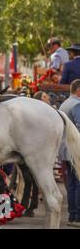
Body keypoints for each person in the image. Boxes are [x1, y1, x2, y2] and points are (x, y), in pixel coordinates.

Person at [59, 79, 80, 227]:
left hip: (65, 149)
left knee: (72, 183)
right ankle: (77, 216)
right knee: (78, 183)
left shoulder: (64, 103)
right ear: (79, 90)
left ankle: (73, 215)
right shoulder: (77, 104)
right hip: (75, 148)